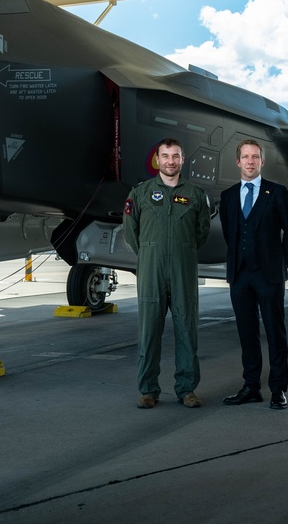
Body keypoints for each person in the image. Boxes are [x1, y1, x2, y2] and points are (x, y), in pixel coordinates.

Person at [122, 138, 211, 409]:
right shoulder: (140, 193)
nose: (170, 161)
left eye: (175, 156)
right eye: (165, 156)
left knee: (187, 329)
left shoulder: (195, 194)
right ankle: (148, 390)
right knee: (149, 331)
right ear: (157, 160)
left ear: (182, 160)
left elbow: (202, 231)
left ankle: (187, 390)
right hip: (151, 270)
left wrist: (182, 250)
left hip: (183, 269)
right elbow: (130, 231)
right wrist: (151, 252)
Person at [219, 139, 288, 410]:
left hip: (269, 275)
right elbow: (231, 232)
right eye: (245, 156)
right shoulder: (228, 196)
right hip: (240, 276)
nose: (250, 161)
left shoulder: (276, 192)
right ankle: (251, 386)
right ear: (238, 161)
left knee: (275, 333)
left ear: (262, 162)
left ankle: (278, 389)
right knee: (246, 333)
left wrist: (282, 264)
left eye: (255, 157)